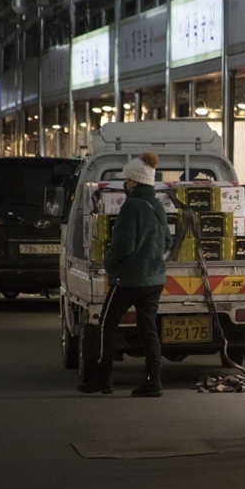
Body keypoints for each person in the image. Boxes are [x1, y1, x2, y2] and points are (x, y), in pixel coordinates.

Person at [78, 152, 173, 397]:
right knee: (148, 329)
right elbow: (167, 242)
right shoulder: (157, 205)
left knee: (107, 324)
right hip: (154, 280)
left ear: (133, 182)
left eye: (127, 180)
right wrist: (150, 258)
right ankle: (154, 381)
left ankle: (103, 378)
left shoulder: (131, 205)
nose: (125, 184)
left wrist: (110, 264)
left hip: (129, 279)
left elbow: (123, 244)